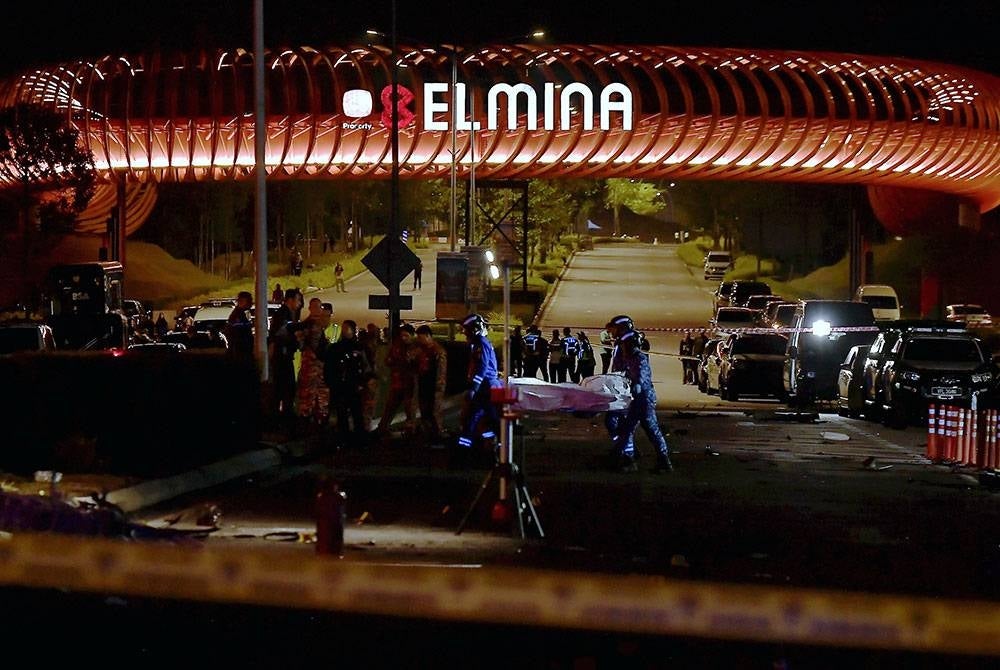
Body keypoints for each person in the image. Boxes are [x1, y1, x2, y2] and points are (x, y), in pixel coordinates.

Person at [611, 327, 673, 473]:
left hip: (644, 400)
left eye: (625, 345)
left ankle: (663, 461)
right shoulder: (628, 358)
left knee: (651, 431)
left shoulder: (639, 359)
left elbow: (640, 379)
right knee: (626, 430)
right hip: (636, 400)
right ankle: (627, 459)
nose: (623, 347)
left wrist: (633, 386)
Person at [456, 313, 501, 464]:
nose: (465, 333)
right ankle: (493, 448)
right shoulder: (480, 342)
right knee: (488, 421)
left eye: (467, 330)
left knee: (471, 420)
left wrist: (473, 388)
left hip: (484, 388)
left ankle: (463, 456)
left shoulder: (480, 343)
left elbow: (481, 368)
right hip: (488, 386)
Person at [324, 320, 371, 447]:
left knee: (356, 411)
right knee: (342, 412)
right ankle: (345, 436)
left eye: (347, 328)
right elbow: (329, 366)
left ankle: (357, 437)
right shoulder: (336, 348)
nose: (345, 331)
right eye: (344, 328)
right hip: (340, 384)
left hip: (353, 384)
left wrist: (363, 381)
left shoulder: (358, 348)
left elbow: (365, 366)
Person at [377, 323, 419, 438]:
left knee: (409, 408)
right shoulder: (397, 346)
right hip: (398, 382)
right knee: (390, 406)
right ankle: (382, 428)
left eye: (406, 336)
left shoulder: (416, 348)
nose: (404, 338)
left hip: (409, 383)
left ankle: (410, 430)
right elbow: (388, 360)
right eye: (402, 336)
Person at [295, 297, 331, 431]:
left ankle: (314, 421)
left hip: (315, 367)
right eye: (318, 307)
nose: (320, 310)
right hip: (312, 366)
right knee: (309, 395)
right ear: (311, 308)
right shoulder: (311, 326)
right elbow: (311, 347)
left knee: (316, 395)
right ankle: (308, 422)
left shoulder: (315, 325)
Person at [268, 288, 302, 429]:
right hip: (282, 356)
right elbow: (284, 332)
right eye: (298, 300)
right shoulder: (283, 314)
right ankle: (281, 420)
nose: (300, 304)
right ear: (290, 300)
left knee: (284, 388)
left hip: (284, 355)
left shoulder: (288, 314)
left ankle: (280, 418)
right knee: (284, 388)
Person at [414, 324, 448, 443]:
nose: (419, 340)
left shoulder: (437, 351)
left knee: (435, 411)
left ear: (428, 336)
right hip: (424, 383)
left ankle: (437, 435)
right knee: (425, 410)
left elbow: (441, 370)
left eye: (421, 337)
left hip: (434, 385)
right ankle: (428, 435)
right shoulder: (421, 350)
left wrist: (439, 384)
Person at [225, 291, 254, 363]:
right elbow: (238, 335)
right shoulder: (237, 315)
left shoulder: (241, 314)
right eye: (249, 300)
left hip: (241, 352)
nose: (251, 303)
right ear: (242, 301)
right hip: (240, 353)